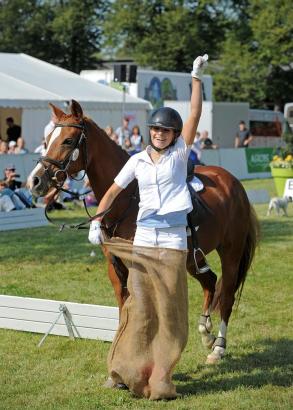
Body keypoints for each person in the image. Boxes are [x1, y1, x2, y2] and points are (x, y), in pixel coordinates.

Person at [88, 55, 208, 399]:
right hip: (143, 240)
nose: (159, 134)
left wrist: (195, 78)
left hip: (172, 242)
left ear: (173, 135)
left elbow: (195, 115)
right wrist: (98, 219)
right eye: (155, 129)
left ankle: (161, 375)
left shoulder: (179, 153)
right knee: (138, 307)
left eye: (166, 130)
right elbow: (112, 190)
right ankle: (128, 369)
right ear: (149, 131)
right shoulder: (136, 160)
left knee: (168, 311)